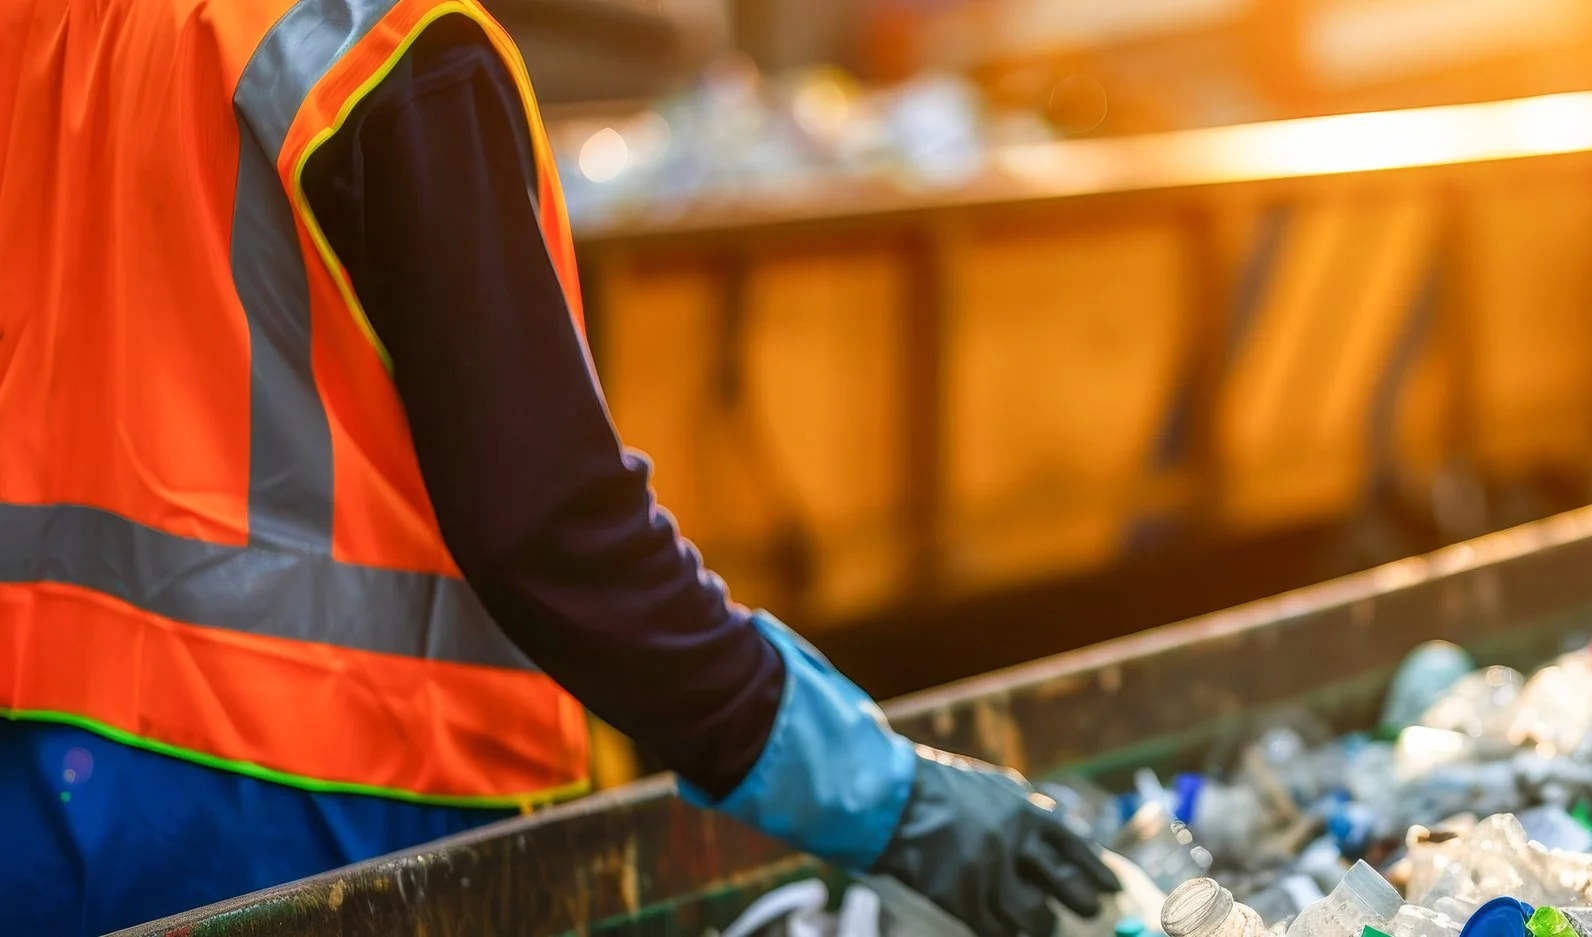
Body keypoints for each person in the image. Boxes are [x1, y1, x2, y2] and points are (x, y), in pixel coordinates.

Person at [0, 1, 1117, 933]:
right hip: (320, 809)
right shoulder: (378, 47)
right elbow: (554, 532)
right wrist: (890, 797)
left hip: (37, 795)